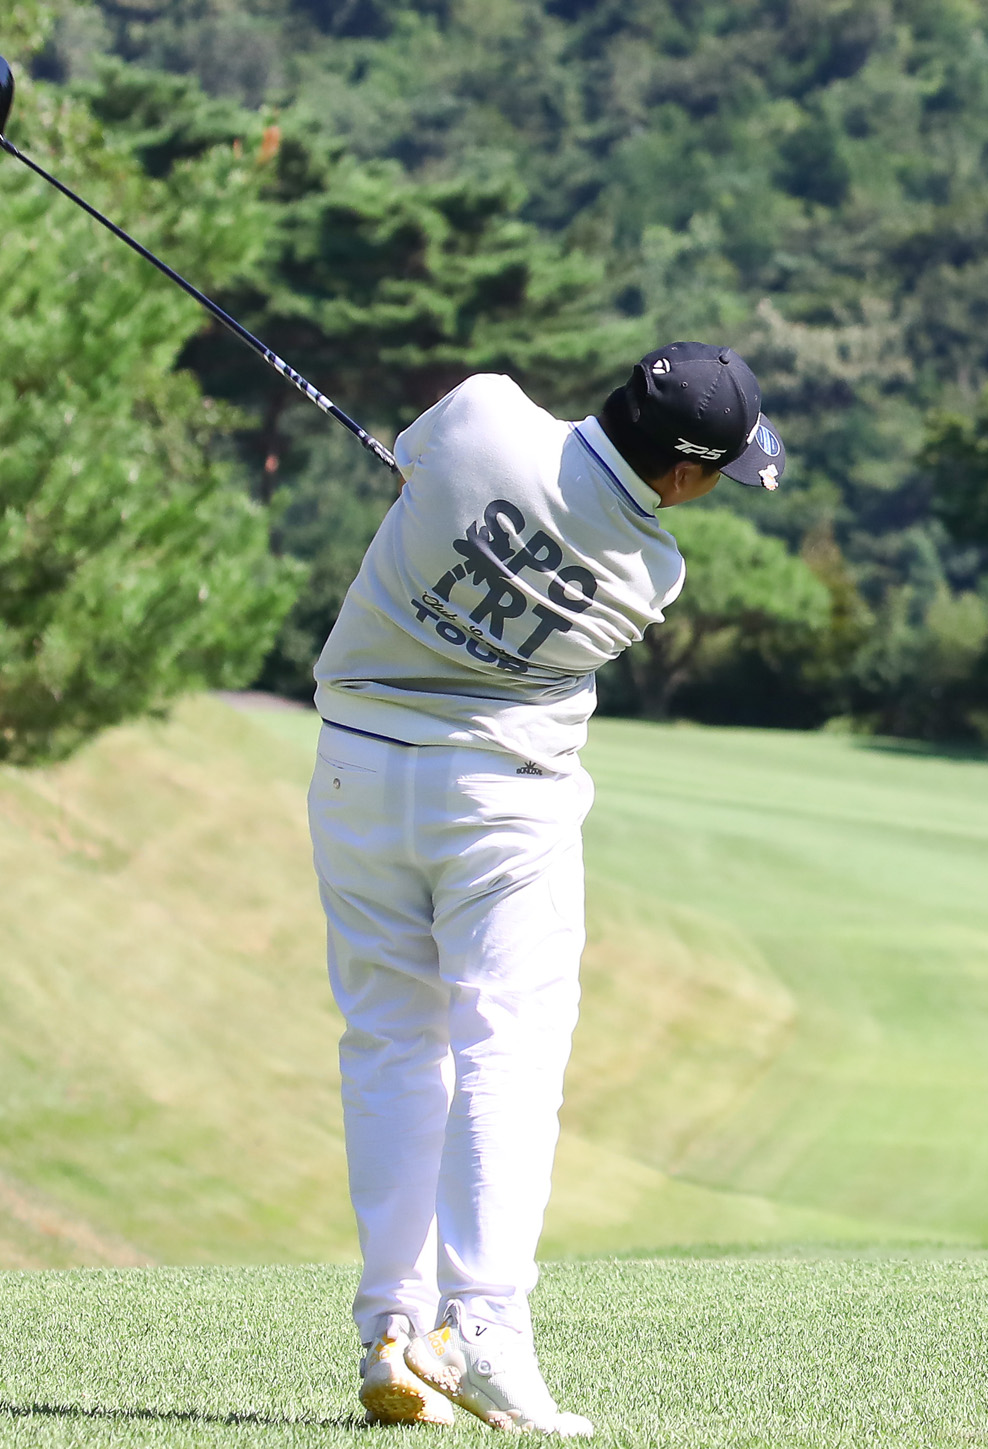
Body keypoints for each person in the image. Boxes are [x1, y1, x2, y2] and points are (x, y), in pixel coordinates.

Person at [307, 343, 787, 1435]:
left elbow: (421, 466)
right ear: (678, 476)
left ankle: (392, 1325)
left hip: (356, 768)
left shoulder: (478, 412)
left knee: (389, 1040)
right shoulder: (647, 576)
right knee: (504, 1056)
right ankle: (482, 1335)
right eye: (718, 473)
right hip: (499, 802)